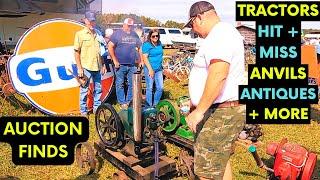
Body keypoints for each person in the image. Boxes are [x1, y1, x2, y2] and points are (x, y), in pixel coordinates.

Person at [183, 1, 246, 179]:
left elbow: (218, 74)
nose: (193, 30)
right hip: (224, 109)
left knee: (207, 172)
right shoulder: (223, 33)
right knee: (220, 161)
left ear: (200, 17)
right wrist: (197, 102)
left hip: (221, 112)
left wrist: (199, 111)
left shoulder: (220, 35)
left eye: (192, 24)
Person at [74, 11, 106, 116]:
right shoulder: (80, 34)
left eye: (93, 21)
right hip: (86, 67)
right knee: (84, 90)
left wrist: (103, 64)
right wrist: (79, 68)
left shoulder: (98, 33)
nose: (92, 23)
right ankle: (83, 112)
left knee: (98, 89)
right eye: (90, 21)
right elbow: (76, 52)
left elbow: (101, 51)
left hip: (97, 66)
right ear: (86, 21)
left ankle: (97, 111)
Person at [108, 18, 142, 109]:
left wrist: (140, 60)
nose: (130, 28)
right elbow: (110, 47)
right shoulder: (117, 34)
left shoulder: (134, 34)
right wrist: (115, 60)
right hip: (120, 64)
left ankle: (129, 101)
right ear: (124, 25)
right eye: (128, 26)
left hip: (132, 65)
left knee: (132, 84)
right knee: (120, 84)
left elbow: (139, 48)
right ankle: (122, 102)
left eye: (131, 26)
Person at [142, 29, 164, 107]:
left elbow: (160, 55)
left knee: (160, 88)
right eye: (153, 36)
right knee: (150, 88)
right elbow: (145, 58)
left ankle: (155, 104)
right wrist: (150, 69)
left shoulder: (160, 43)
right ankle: (148, 106)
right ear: (150, 37)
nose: (155, 37)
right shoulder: (146, 45)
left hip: (159, 69)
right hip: (149, 69)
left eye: (157, 36)